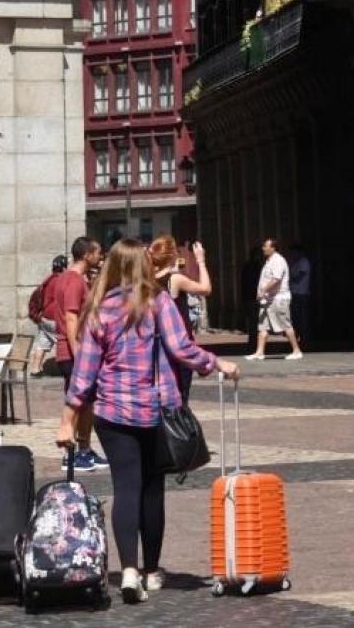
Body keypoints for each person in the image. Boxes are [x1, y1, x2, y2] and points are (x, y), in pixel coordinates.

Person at [58, 238, 240, 604]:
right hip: (153, 411)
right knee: (152, 490)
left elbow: (84, 372)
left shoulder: (100, 308)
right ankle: (152, 570)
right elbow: (181, 348)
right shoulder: (158, 301)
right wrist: (217, 363)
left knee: (125, 488)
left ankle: (127, 571)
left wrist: (68, 420)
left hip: (111, 414)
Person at [49, 237, 107, 472]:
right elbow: (71, 317)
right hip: (73, 351)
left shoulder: (69, 278)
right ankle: (72, 454)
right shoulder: (72, 280)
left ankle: (84, 448)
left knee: (86, 402)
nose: (100, 256)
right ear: (87, 255)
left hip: (74, 350)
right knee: (78, 402)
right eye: (97, 252)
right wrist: (78, 352)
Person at [149, 235, 212, 400]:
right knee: (181, 394)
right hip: (178, 339)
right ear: (172, 255)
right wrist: (201, 261)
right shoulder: (175, 279)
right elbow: (205, 289)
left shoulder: (148, 279)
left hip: (157, 342)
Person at [248, 238, 303, 361]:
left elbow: (276, 279)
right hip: (267, 299)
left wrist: (263, 290)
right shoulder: (269, 261)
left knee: (286, 324)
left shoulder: (278, 261)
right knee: (262, 326)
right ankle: (259, 352)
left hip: (278, 299)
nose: (263, 248)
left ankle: (296, 350)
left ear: (273, 248)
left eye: (266, 246)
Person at [30, 254, 69, 376]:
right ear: (63, 268)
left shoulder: (48, 280)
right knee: (65, 340)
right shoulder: (61, 280)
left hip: (44, 317)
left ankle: (35, 370)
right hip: (54, 318)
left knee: (42, 343)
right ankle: (68, 368)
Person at [288, 242, 312, 344]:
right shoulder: (295, 263)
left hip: (302, 293)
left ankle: (305, 337)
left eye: (294, 253)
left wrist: (289, 279)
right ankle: (298, 337)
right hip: (294, 293)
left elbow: (298, 277)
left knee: (302, 317)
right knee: (296, 317)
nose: (293, 255)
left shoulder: (304, 262)